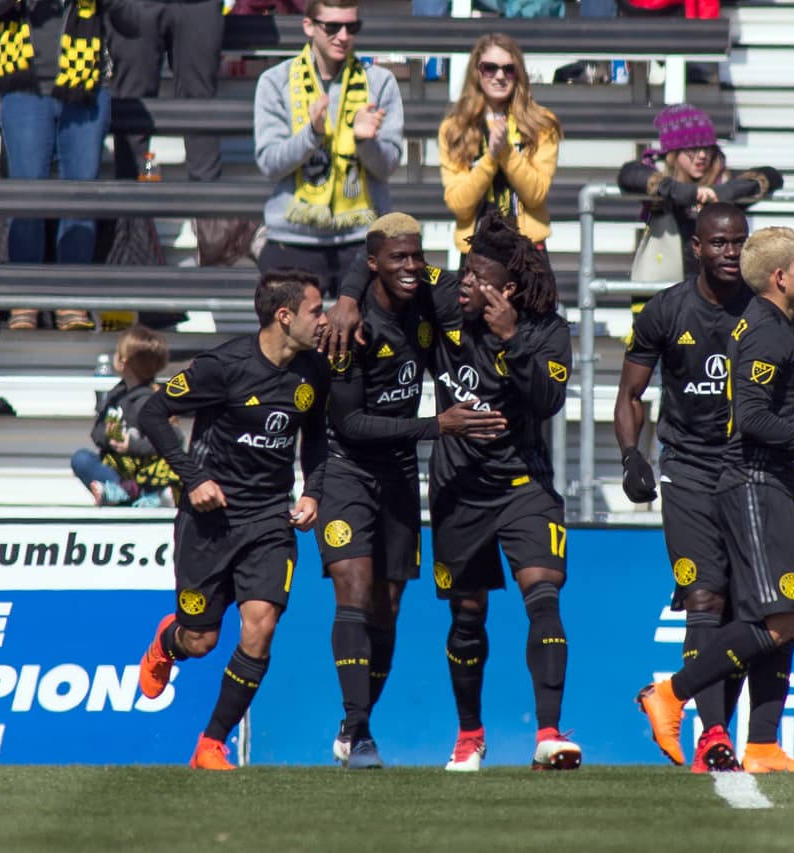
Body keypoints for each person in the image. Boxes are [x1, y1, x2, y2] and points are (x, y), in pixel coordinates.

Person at [636, 226, 794, 771]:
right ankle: (671, 694)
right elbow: (753, 418)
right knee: (774, 618)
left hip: (779, 482)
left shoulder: (781, 323)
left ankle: (761, 744)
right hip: (755, 484)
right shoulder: (765, 331)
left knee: (791, 616)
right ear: (780, 277)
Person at [318, 213, 506, 770]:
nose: (410, 266)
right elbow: (349, 425)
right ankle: (359, 733)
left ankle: (355, 725)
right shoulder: (349, 329)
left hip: (399, 472)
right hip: (348, 468)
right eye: (397, 258)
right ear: (374, 262)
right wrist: (436, 426)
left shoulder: (426, 292)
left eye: (416, 255)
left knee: (389, 606)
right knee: (353, 589)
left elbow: (473, 279)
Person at [135, 268, 331, 771]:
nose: (324, 319)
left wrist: (313, 492)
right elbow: (153, 414)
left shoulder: (314, 370)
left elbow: (317, 440)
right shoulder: (222, 366)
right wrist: (192, 477)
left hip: (270, 519)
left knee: (260, 627)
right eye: (316, 310)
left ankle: (211, 745)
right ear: (284, 317)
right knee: (200, 641)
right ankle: (167, 642)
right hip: (211, 520)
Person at [425, 210, 578, 771]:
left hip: (524, 486)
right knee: (467, 616)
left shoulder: (545, 331)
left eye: (476, 276)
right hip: (459, 487)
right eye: (463, 272)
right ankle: (470, 736)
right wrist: (347, 300)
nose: (463, 283)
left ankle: (548, 733)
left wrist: (511, 339)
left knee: (544, 595)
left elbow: (547, 403)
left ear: (507, 289)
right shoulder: (444, 304)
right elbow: (385, 263)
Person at [615, 203, 757, 773]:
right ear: (696, 247)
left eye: (739, 243)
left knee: (751, 612)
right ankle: (714, 734)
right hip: (688, 471)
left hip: (750, 473)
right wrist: (632, 457)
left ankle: (722, 724)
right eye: (719, 243)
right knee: (704, 598)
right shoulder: (665, 310)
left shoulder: (766, 311)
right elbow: (630, 397)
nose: (729, 252)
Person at [0, 0, 149, 330]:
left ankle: (72, 299)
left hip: (85, 91)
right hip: (24, 90)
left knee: (81, 196)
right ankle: (24, 300)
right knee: (26, 197)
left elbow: (135, 24)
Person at [253, 0, 403, 296]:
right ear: (309, 26)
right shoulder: (275, 81)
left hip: (362, 239)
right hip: (294, 241)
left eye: (352, 27)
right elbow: (270, 163)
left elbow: (388, 167)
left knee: (363, 341)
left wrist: (364, 142)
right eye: (332, 27)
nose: (344, 36)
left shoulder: (379, 82)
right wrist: (312, 133)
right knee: (295, 342)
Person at [618, 103, 782, 283]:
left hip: (718, 294)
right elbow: (628, 174)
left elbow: (771, 176)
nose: (702, 155)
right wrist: (684, 192)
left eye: (707, 148)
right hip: (667, 291)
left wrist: (723, 192)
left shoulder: (723, 182)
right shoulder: (660, 181)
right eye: (693, 148)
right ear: (673, 152)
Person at [439, 34, 562, 257]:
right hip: (477, 253)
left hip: (528, 251)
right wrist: (490, 159)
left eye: (508, 69)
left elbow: (536, 194)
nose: (499, 76)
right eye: (490, 68)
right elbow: (459, 204)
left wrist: (505, 152)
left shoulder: (542, 124)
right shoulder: (455, 128)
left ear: (519, 74)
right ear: (477, 72)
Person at [108, 0, 224, 183]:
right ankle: (132, 202)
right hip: (135, 5)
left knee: (200, 105)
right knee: (133, 107)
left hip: (199, 5)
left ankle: (205, 203)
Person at [71, 325, 181, 508]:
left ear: (123, 361)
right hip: (119, 469)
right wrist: (109, 437)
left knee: (164, 471)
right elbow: (96, 432)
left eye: (117, 352)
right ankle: (123, 493)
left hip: (144, 472)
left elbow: (174, 438)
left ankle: (138, 495)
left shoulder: (150, 401)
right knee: (81, 458)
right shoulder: (116, 394)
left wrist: (132, 445)